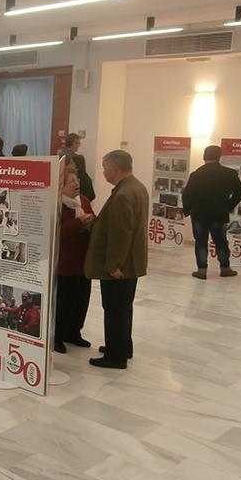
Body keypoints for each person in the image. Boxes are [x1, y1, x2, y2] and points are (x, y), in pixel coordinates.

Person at [85, 150, 148, 369]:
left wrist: (113, 265)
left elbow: (121, 233)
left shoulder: (123, 194)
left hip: (120, 266)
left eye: (104, 167)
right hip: (131, 263)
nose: (103, 171)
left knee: (114, 310)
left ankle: (115, 356)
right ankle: (123, 346)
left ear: (114, 168)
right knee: (124, 308)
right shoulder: (136, 187)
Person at [181, 145, 241, 279]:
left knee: (201, 241)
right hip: (219, 213)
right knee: (221, 241)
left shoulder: (197, 174)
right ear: (219, 156)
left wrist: (187, 209)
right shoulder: (229, 174)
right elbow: (240, 192)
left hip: (199, 214)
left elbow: (187, 194)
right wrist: (228, 206)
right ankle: (225, 268)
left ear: (204, 156)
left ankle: (202, 270)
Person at [55, 168, 95, 353]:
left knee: (81, 300)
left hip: (83, 260)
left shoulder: (84, 201)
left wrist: (91, 222)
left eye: (77, 180)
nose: (77, 183)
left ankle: (74, 332)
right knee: (64, 302)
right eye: (71, 181)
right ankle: (59, 335)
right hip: (65, 262)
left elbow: (93, 218)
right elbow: (58, 232)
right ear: (61, 186)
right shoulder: (58, 205)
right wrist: (79, 223)